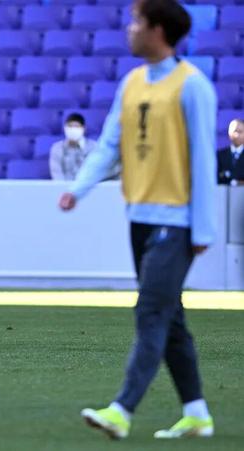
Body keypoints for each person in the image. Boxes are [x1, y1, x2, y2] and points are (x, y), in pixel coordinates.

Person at [58, 0, 217, 440]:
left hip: (177, 220)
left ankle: (122, 410)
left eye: (137, 22)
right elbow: (110, 144)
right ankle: (197, 413)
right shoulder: (131, 83)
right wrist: (79, 188)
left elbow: (204, 160)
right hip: (140, 217)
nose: (130, 29)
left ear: (158, 30)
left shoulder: (193, 86)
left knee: (150, 311)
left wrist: (203, 228)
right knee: (170, 317)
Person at [49, 113, 98, 180]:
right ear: (65, 128)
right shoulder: (57, 148)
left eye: (77, 126)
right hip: (63, 186)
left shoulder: (94, 147)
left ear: (84, 128)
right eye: (70, 126)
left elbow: (95, 171)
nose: (73, 129)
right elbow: (56, 174)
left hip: (87, 184)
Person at [216, 118, 244, 186]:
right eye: (235, 131)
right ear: (229, 133)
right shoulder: (219, 155)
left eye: (240, 131)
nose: (237, 135)